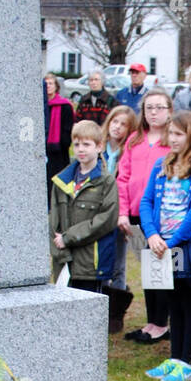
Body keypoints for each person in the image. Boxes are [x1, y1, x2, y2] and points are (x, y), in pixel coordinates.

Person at [139, 111, 191, 381]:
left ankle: (187, 363)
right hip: (160, 244)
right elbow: (146, 202)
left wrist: (171, 243)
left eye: (178, 134)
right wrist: (152, 235)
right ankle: (174, 359)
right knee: (171, 298)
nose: (172, 138)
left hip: (186, 246)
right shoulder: (161, 164)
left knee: (187, 299)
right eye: (170, 133)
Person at [116, 88, 173, 343]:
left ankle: (163, 322)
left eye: (159, 107)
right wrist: (122, 212)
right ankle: (152, 321)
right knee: (148, 270)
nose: (153, 112)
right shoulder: (134, 140)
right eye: (149, 107)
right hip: (137, 215)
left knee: (163, 270)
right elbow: (123, 178)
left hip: (164, 217)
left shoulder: (173, 141)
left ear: (169, 110)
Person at [49, 120, 119, 293]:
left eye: (86, 144)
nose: (80, 149)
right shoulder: (61, 181)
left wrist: (69, 237)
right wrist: (60, 252)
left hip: (91, 263)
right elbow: (53, 221)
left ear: (99, 146)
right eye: (77, 144)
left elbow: (106, 219)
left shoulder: (106, 181)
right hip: (65, 261)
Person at [100, 104, 139, 331]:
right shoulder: (98, 148)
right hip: (99, 215)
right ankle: (101, 303)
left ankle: (116, 311)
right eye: (115, 121)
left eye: (123, 124)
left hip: (120, 214)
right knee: (102, 261)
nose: (117, 127)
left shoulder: (128, 152)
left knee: (119, 263)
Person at [44, 72, 74, 206]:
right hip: (44, 150)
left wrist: (61, 143)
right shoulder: (39, 105)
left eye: (51, 83)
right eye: (46, 83)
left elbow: (68, 128)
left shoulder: (65, 105)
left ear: (56, 86)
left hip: (58, 150)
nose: (48, 86)